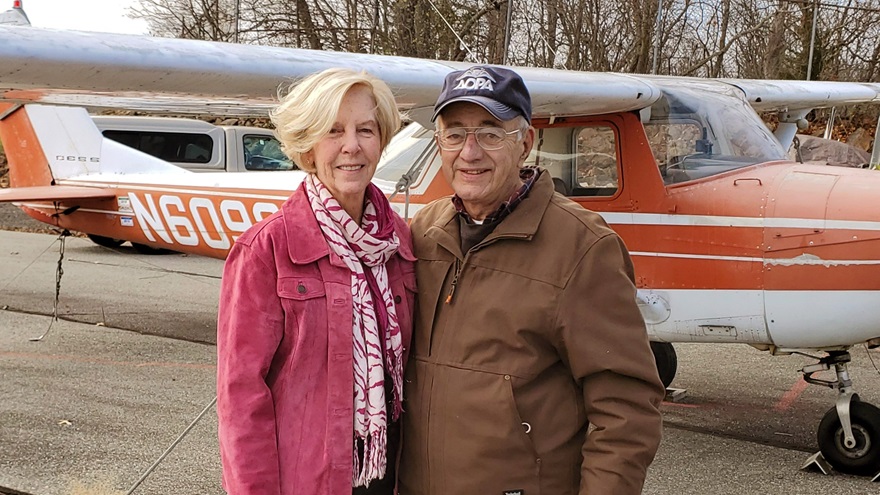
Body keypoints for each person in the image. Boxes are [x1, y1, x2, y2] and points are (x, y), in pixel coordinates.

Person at [398, 65, 665, 494]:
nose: (470, 152)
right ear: (439, 144)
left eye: (490, 133)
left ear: (525, 143)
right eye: (454, 134)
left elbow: (626, 407)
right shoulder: (425, 231)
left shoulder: (583, 247)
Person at [216, 68, 416, 494]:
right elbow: (241, 398)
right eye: (333, 130)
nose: (352, 146)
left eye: (366, 129)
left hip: (392, 476)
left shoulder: (399, 240)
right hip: (308, 481)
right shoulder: (266, 249)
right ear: (307, 146)